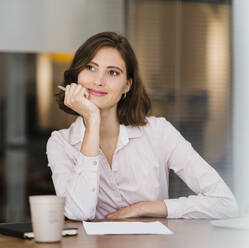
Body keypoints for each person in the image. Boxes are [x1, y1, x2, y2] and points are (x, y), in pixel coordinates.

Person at [47, 32, 238, 221]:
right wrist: (92, 120)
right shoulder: (61, 143)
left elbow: (224, 203)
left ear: (127, 85)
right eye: (90, 67)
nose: (99, 81)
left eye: (113, 72)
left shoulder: (158, 132)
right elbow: (79, 212)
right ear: (77, 75)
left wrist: (145, 208)